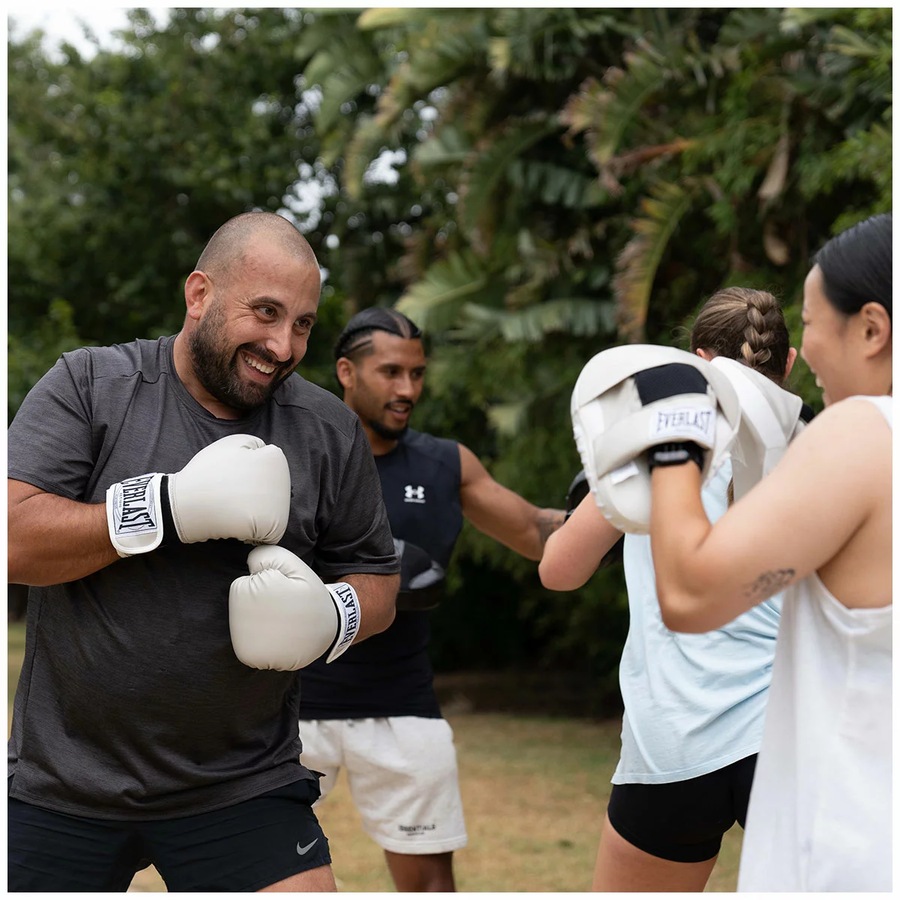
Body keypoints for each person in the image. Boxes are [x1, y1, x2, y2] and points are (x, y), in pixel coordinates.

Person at [7, 211, 400, 893]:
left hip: (244, 781)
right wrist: (165, 509)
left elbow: (378, 580)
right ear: (199, 295)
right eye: (266, 312)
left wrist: (334, 615)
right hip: (63, 780)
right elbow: (13, 539)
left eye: (303, 324)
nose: (282, 345)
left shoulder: (327, 429)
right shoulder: (92, 386)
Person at [644, 213, 892, 891]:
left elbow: (692, 594)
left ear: (872, 329)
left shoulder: (866, 433)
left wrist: (670, 437)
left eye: (812, 322)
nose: (803, 350)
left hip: (853, 851)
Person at [540, 287, 803, 891]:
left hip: (674, 735)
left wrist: (607, 491)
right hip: (788, 732)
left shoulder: (658, 445)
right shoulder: (820, 446)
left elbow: (560, 571)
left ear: (693, 362)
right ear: (788, 365)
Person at [297, 307, 565, 892]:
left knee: (429, 889)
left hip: (402, 705)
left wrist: (622, 503)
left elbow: (535, 532)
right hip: (287, 706)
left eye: (416, 374)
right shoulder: (294, 450)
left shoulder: (446, 463)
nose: (407, 389)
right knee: (257, 877)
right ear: (347, 370)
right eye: (391, 372)